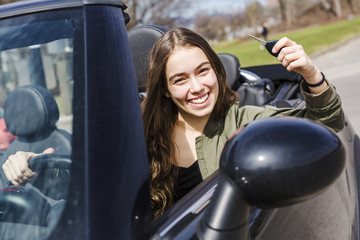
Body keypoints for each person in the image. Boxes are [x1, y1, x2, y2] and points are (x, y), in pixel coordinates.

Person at [2, 28, 344, 219]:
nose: (196, 88)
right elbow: (91, 180)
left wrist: (311, 75)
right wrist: (31, 165)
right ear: (164, 90)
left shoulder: (242, 121)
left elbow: (326, 126)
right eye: (179, 79)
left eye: (203, 71)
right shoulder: (136, 134)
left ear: (216, 71)